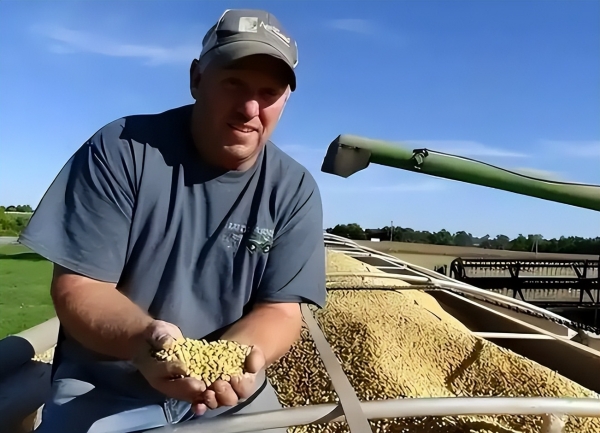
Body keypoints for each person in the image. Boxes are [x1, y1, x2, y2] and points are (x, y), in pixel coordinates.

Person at [19, 8, 326, 433]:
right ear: (197, 78)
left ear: (285, 99)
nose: (250, 108)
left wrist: (231, 360)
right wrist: (148, 343)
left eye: (269, 92)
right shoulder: (122, 149)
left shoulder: (293, 188)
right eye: (233, 83)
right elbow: (80, 288)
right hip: (107, 390)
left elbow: (281, 311)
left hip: (232, 398)